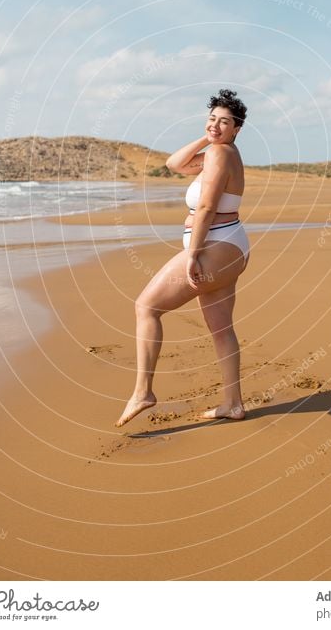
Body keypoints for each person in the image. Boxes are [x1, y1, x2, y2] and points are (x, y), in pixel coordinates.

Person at [116, 88, 250, 427]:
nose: (216, 126)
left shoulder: (220, 155)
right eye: (211, 119)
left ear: (237, 128)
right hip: (230, 245)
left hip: (215, 246)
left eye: (225, 122)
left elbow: (205, 207)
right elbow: (174, 163)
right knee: (221, 329)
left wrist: (192, 255)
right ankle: (232, 404)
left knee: (146, 307)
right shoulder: (219, 152)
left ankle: (142, 392)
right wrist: (206, 137)